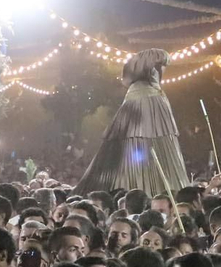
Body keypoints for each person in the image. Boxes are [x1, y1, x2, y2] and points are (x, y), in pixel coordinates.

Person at [74, 49, 188, 195]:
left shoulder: (142, 91)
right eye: (161, 66)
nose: (164, 70)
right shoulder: (151, 94)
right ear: (152, 68)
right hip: (148, 105)